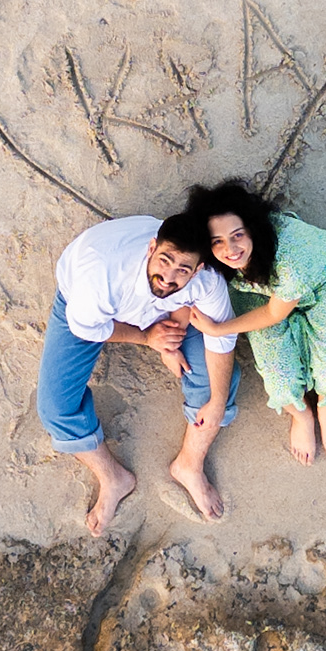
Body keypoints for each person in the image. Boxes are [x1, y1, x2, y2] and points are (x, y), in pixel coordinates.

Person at [36, 211, 240, 534]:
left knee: (220, 384)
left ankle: (189, 464)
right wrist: (148, 338)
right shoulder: (100, 277)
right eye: (164, 261)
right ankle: (112, 478)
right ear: (151, 247)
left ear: (198, 269)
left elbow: (222, 339)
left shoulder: (207, 280)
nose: (168, 277)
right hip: (97, 311)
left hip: (167, 311)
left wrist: (176, 344)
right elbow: (88, 327)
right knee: (54, 408)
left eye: (183, 270)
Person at [190, 178, 326, 465]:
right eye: (218, 241)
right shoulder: (220, 261)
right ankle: (301, 415)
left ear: (252, 228)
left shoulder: (290, 259)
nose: (230, 249)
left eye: (237, 235)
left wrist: (218, 329)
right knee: (278, 375)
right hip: (257, 290)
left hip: (324, 284)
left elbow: (273, 314)